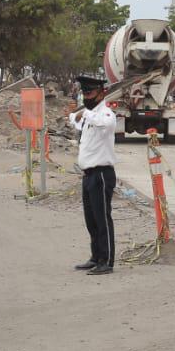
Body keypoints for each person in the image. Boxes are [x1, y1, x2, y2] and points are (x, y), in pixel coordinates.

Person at [69, 74, 118, 275]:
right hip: (88, 175)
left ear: (101, 93)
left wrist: (84, 114)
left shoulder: (106, 114)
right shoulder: (89, 115)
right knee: (91, 220)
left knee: (102, 219)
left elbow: (104, 124)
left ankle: (106, 261)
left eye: (89, 93)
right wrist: (77, 114)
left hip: (101, 174)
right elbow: (74, 121)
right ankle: (95, 256)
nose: (86, 96)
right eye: (84, 93)